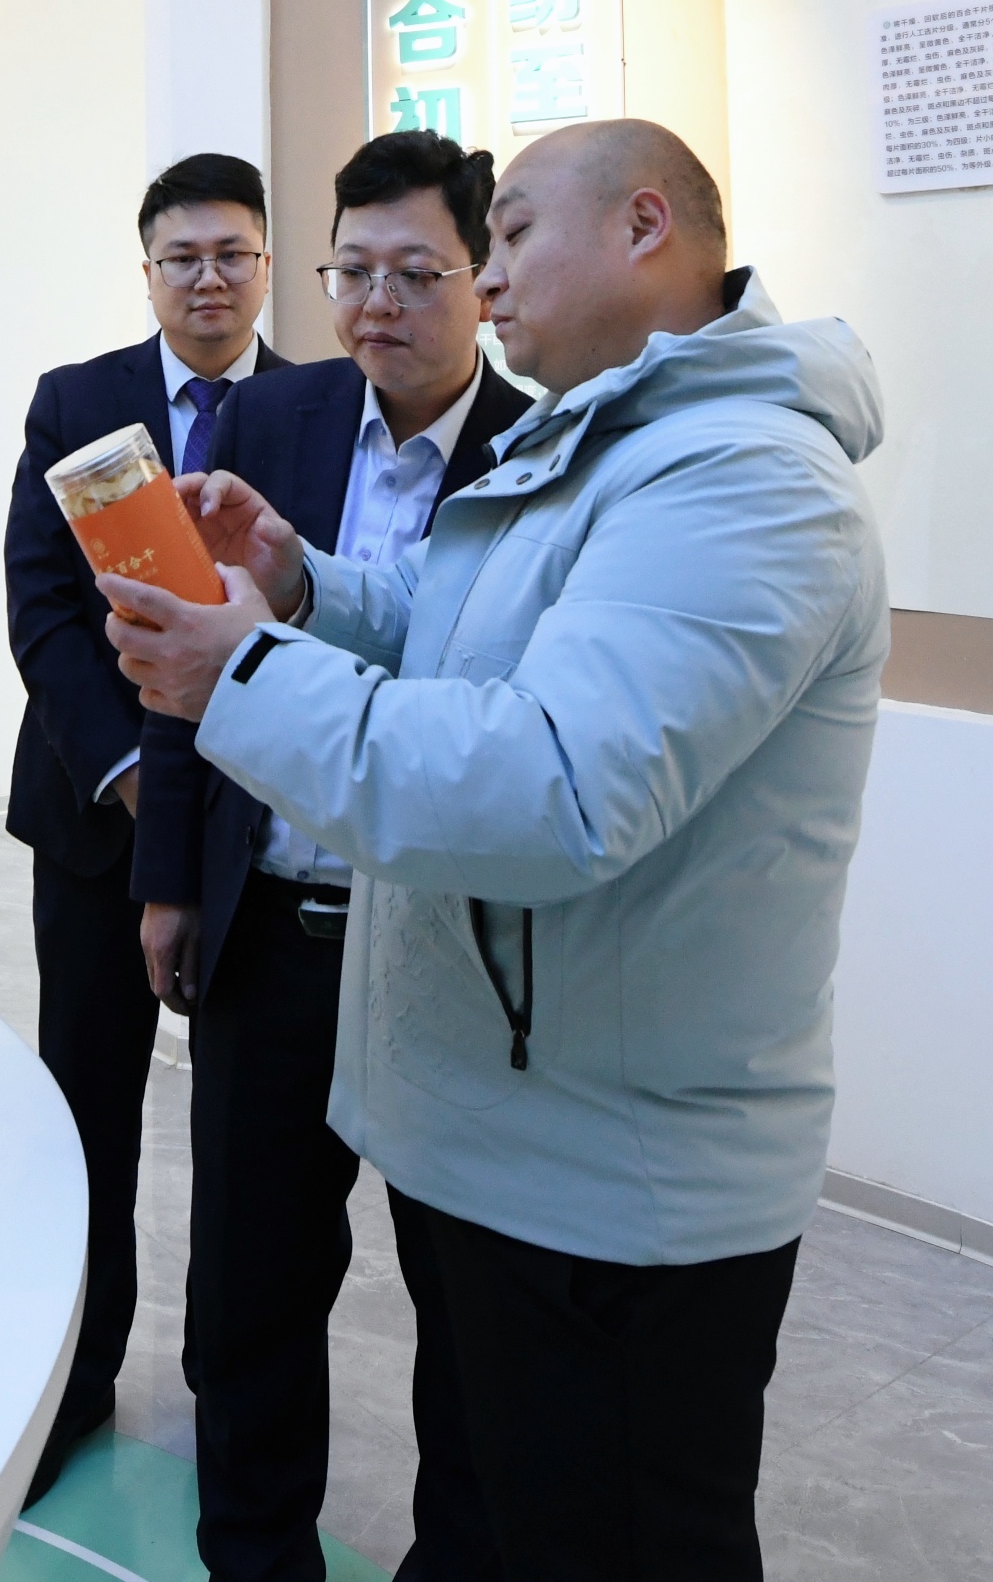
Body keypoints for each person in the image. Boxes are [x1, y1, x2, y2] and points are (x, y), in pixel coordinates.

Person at [99, 118, 888, 1582]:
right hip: (514, 1122)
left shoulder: (740, 480)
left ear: (644, 226)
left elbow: (552, 785)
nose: (489, 276)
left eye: (508, 235)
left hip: (612, 1177)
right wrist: (303, 583)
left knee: (600, 1536)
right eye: (363, 269)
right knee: (488, 1503)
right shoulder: (618, 439)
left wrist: (242, 674)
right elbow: (467, 630)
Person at [129, 129, 531, 1582]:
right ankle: (253, 1559)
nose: (378, 304)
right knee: (247, 1293)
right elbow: (189, 654)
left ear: (482, 281)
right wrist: (172, 878)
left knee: (466, 1310)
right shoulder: (271, 415)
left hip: (440, 953)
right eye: (352, 272)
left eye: (416, 272)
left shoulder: (542, 449)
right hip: (270, 931)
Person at [2, 150, 293, 1502]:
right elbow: (40, 610)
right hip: (95, 823)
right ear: (148, 271)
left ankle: (231, 1408)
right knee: (85, 1112)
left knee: (246, 1142)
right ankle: (76, 1384)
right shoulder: (79, 401)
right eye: (183, 257)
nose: (208, 279)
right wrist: (129, 772)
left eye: (232, 254)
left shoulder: (314, 406)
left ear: (266, 266)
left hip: (253, 834)